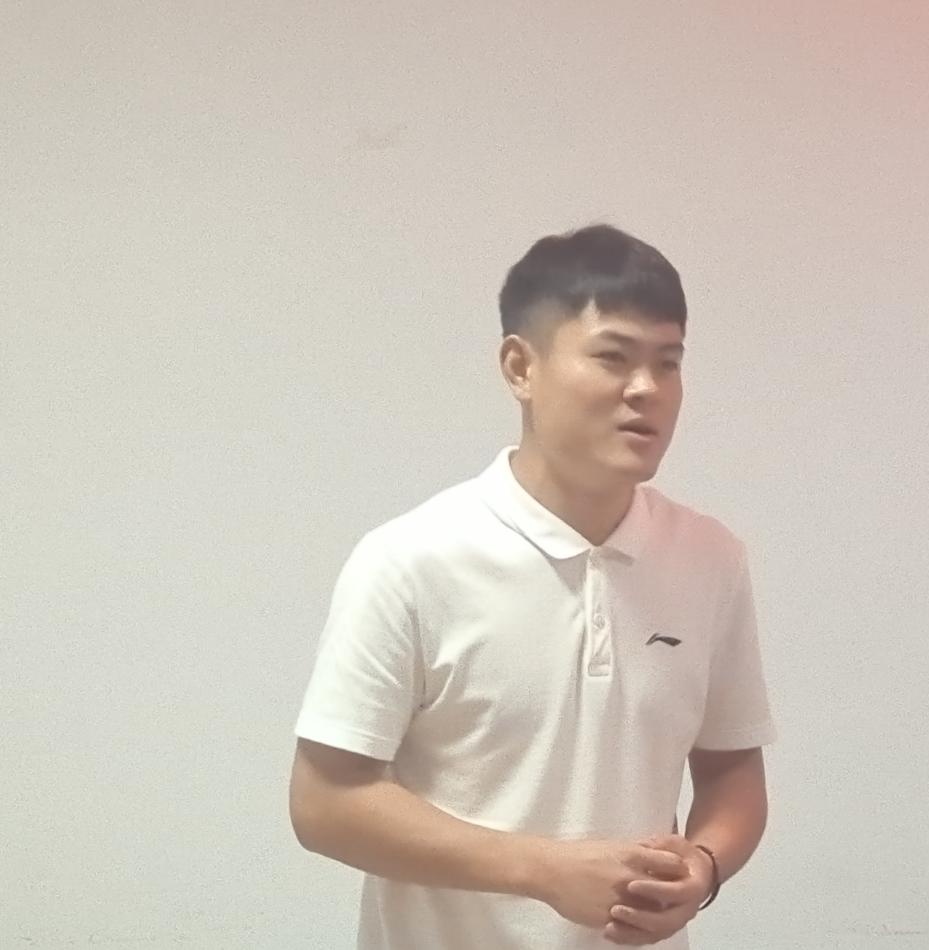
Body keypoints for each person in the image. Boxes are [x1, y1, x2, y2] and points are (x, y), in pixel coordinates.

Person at [289, 223, 776, 949]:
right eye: (613, 357)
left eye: (668, 363)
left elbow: (731, 768)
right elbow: (325, 802)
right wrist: (542, 870)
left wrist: (702, 867)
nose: (646, 389)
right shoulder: (411, 560)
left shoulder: (711, 558)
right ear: (520, 366)